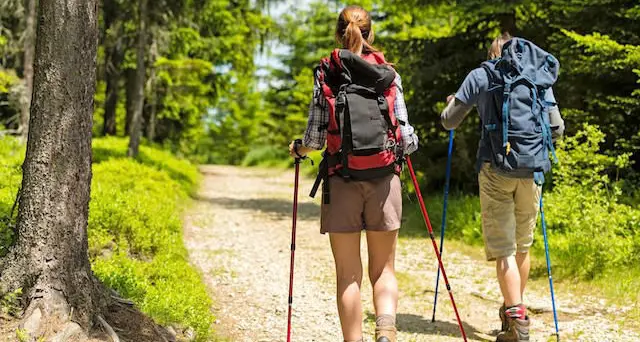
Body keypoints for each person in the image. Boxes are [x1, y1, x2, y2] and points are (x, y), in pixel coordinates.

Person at [288, 5, 418, 342]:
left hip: (341, 179)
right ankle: (386, 330)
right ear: (370, 33)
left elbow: (316, 139)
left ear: (338, 33)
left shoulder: (327, 73)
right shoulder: (388, 73)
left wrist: (298, 149)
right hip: (384, 179)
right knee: (384, 270)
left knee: (348, 275)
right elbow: (407, 138)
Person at [440, 33, 565, 342]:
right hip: (531, 171)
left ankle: (517, 320)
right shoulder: (537, 76)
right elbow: (557, 128)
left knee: (504, 250)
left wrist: (452, 104)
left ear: (492, 52)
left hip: (495, 167)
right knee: (522, 245)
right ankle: (514, 311)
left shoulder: (482, 74)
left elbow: (449, 122)